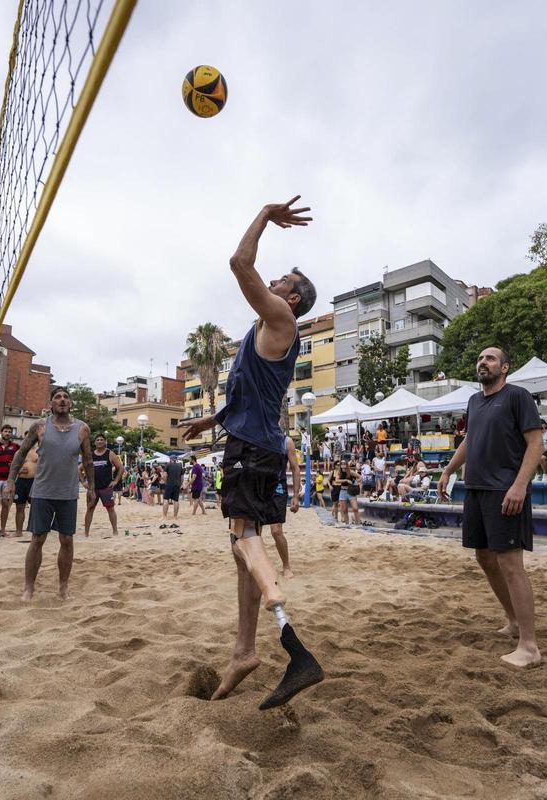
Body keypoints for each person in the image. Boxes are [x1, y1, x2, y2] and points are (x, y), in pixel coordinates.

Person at [179, 195, 323, 709]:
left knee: (245, 536)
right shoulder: (261, 334)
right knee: (244, 547)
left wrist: (265, 213)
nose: (275, 279)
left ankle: (276, 598)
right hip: (256, 442)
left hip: (254, 450)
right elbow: (248, 395)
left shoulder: (282, 317)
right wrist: (211, 418)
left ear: (294, 296)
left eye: (283, 278)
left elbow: (240, 264)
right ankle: (243, 650)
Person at [437, 347, 543, 669]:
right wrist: (448, 470)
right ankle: (512, 621)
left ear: (505, 367)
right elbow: (471, 440)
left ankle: (530, 646)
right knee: (484, 557)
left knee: (511, 564)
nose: (483, 362)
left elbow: (536, 443)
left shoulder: (517, 396)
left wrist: (520, 485)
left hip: (505, 490)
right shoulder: (474, 401)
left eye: (491, 358)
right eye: (480, 358)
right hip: (477, 489)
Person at [4, 386, 93, 601]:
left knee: (67, 540)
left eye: (66, 397)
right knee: (38, 539)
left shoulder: (82, 429)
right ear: (51, 403)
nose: (62, 400)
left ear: (70, 403)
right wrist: (10, 481)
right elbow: (21, 453)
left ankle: (63, 587)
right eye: (57, 397)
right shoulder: (40, 426)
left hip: (69, 492)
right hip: (43, 490)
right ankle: (29, 588)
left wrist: (92, 487)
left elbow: (88, 460)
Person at [266, 437, 301, 578]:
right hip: (257, 489)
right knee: (254, 532)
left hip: (277, 489)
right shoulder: (255, 436)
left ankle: (286, 566)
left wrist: (296, 496)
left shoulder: (286, 441)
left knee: (276, 531)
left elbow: (295, 468)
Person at [83, 433, 123, 536]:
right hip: (93, 488)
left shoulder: (110, 453)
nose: (100, 441)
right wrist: (83, 482)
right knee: (90, 509)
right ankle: (86, 533)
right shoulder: (90, 455)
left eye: (102, 440)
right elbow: (79, 469)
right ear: (95, 442)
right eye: (98, 440)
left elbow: (121, 468)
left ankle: (115, 531)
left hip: (106, 487)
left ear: (105, 442)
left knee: (111, 509)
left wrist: (115, 481)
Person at [12, 442, 38, 537]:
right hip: (21, 481)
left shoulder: (39, 452)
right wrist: (19, 471)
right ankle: (19, 531)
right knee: (19, 507)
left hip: (34, 481)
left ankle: (36, 530)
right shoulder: (19, 452)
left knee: (36, 507)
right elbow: (13, 467)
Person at [161, 455, 184, 519]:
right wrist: (180, 484)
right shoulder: (180, 466)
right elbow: (182, 478)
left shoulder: (168, 465)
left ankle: (164, 516)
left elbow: (164, 476)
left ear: (171, 459)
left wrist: (166, 482)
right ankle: (175, 516)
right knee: (176, 500)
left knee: (166, 499)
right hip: (177, 484)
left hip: (169, 484)